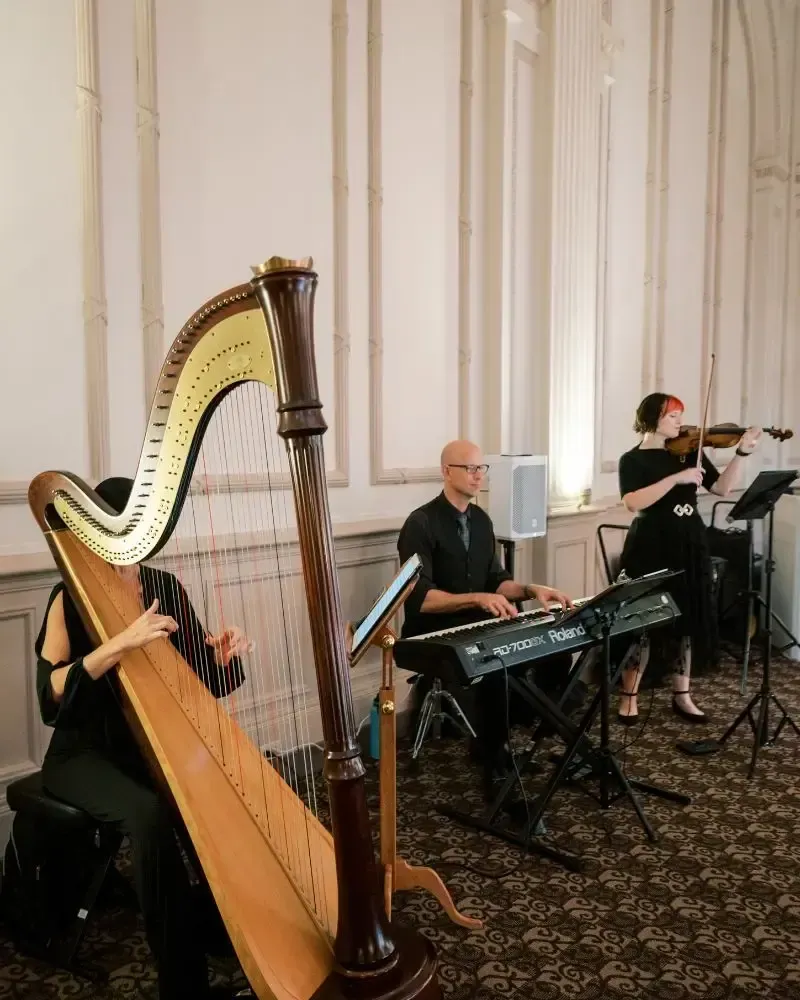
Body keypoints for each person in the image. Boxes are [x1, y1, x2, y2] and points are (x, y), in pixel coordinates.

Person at [35, 477, 251, 1000]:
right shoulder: (69, 596)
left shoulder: (165, 586)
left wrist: (224, 657)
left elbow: (202, 679)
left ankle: (217, 929)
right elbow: (50, 696)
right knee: (151, 814)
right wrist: (120, 644)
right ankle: (183, 981)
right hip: (83, 754)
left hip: (148, 747)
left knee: (216, 791)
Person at [397, 440, 574, 793]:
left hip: (478, 622)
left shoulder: (481, 520)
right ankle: (493, 760)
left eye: (482, 469)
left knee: (554, 652)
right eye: (471, 469)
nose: (479, 476)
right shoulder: (420, 523)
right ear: (447, 472)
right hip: (432, 632)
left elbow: (497, 580)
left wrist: (531, 589)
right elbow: (420, 599)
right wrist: (477, 598)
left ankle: (511, 734)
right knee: (498, 665)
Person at [615, 394, 761, 725]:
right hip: (651, 543)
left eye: (681, 415)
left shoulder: (691, 452)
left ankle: (682, 694)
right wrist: (674, 480)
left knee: (688, 616)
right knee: (643, 621)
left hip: (689, 540)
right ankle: (629, 695)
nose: (681, 422)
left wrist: (741, 453)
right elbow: (633, 502)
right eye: (673, 416)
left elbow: (722, 488)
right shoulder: (632, 460)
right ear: (652, 418)